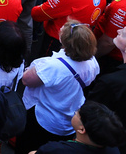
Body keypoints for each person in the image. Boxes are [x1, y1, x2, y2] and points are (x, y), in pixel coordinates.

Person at [20, 21, 100, 150]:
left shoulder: (53, 66)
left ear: (66, 43)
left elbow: (26, 80)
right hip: (69, 118)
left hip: (44, 120)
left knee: (29, 147)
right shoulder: (92, 62)